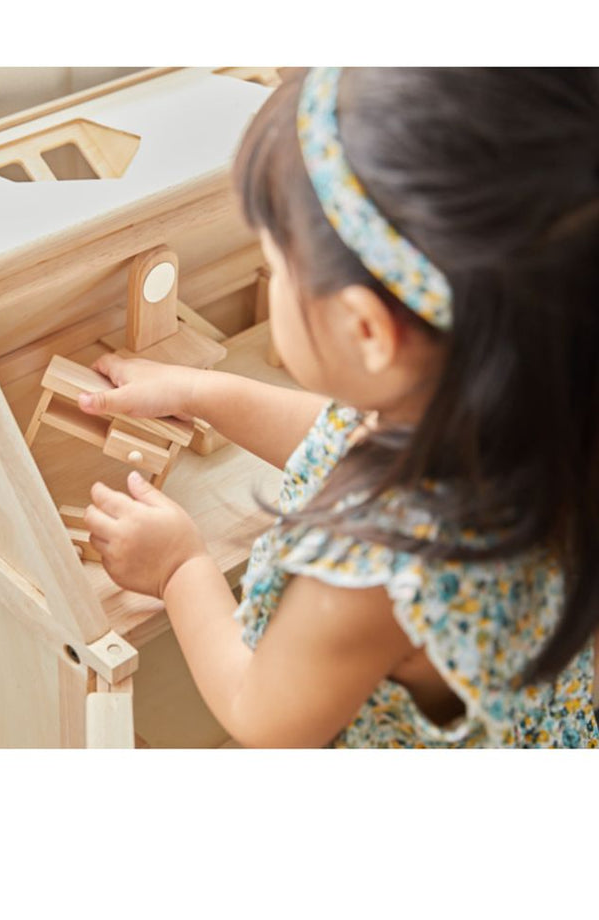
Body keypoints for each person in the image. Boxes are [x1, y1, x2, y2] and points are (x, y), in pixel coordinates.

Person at [79, 67, 599, 748]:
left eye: (278, 264)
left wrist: (181, 569)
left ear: (365, 330)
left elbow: (261, 712)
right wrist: (204, 392)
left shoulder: (376, 567)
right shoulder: (532, 405)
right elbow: (338, 441)